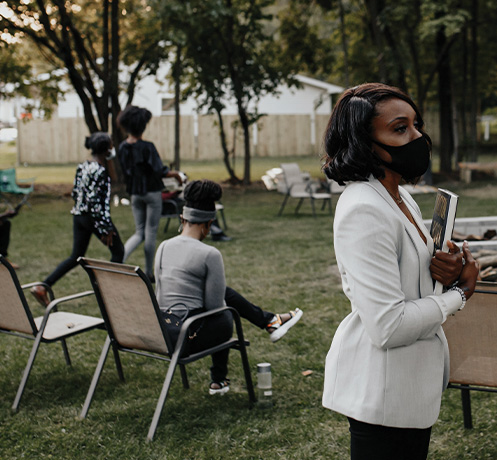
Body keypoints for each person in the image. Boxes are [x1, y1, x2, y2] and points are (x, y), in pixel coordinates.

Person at [321, 83, 480, 460]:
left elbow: (416, 271)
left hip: (411, 386)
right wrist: (460, 295)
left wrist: (452, 264)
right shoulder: (363, 210)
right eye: (399, 128)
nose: (418, 137)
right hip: (384, 392)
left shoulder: (399, 195)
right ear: (364, 142)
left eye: (416, 125)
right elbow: (388, 325)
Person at [154, 179, 303, 395]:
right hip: (188, 337)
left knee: (222, 294)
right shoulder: (209, 254)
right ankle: (219, 378)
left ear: (182, 218)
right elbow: (215, 306)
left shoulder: (164, 246)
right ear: (208, 223)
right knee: (226, 312)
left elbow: (160, 294)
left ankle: (270, 321)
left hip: (162, 331)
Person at [30, 133, 124, 306]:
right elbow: (97, 202)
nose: (113, 149)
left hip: (79, 216)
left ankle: (43, 287)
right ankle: (109, 293)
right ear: (106, 149)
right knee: (118, 252)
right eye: (111, 146)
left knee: (76, 256)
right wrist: (106, 227)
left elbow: (76, 193)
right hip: (93, 218)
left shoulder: (83, 166)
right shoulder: (100, 170)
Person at [117, 105, 183, 279]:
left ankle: (118, 261)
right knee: (150, 232)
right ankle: (148, 272)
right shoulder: (148, 146)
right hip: (152, 193)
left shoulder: (122, 147)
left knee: (139, 232)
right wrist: (175, 174)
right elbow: (160, 170)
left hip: (135, 194)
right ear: (143, 125)